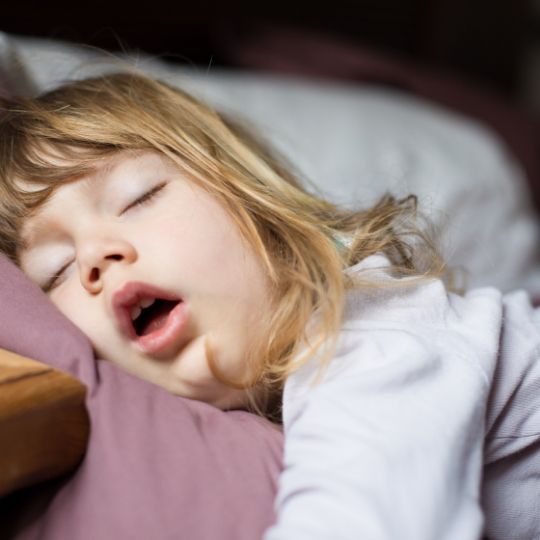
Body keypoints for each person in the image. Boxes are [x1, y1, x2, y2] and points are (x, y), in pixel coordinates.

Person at [0, 71, 538, 540]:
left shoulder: (370, 332)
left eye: (137, 197)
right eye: (58, 271)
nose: (97, 255)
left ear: (255, 206)